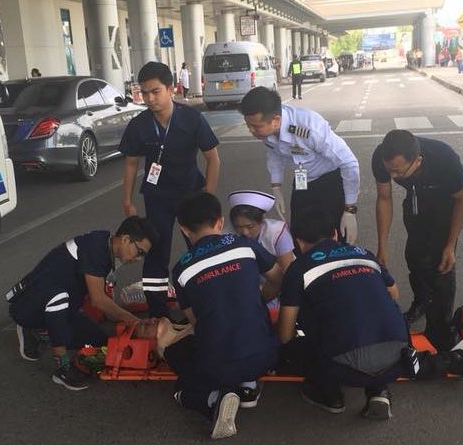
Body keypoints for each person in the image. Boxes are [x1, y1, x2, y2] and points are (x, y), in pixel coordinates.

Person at [277, 207, 463, 419]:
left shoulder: (298, 268)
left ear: (299, 243)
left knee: (295, 342)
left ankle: (329, 394)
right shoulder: (363, 254)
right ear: (335, 234)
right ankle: (382, 388)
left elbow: (284, 335)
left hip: (342, 369)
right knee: (378, 315)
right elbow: (394, 293)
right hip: (398, 357)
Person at [162, 192, 282, 439]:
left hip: (218, 363)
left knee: (175, 355)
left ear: (184, 230)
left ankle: (212, 399)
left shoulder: (182, 268)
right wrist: (260, 300)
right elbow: (278, 277)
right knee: (246, 333)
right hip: (266, 354)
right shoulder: (246, 246)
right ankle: (248, 385)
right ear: (219, 222)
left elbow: (196, 322)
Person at [119, 61, 221, 320]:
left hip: (192, 195)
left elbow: (213, 158)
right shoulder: (139, 125)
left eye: (155, 91)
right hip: (157, 198)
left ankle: (208, 300)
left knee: (201, 248)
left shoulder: (191, 118)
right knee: (156, 251)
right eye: (144, 93)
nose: (150, 98)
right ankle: (158, 312)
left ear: (171, 89)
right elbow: (131, 163)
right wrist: (127, 201)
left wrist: (208, 197)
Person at [8, 216, 158, 391]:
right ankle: (61, 367)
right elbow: (98, 299)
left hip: (61, 306)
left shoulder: (106, 245)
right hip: (30, 305)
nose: (139, 259)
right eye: (139, 252)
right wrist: (133, 320)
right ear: (125, 239)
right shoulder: (96, 249)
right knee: (59, 296)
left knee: (99, 341)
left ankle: (39, 332)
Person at [373, 130, 463, 352]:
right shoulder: (382, 157)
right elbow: (384, 198)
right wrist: (382, 247)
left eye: (398, 171)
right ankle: (422, 302)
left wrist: (450, 246)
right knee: (415, 256)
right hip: (416, 202)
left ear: (417, 161)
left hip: (445, 204)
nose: (394, 176)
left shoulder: (444, 158)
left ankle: (441, 329)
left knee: (440, 267)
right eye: (390, 171)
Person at [238, 86, 360, 244]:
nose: (251, 130)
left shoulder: (308, 127)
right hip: (302, 180)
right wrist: (276, 186)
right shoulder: (267, 131)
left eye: (255, 126)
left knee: (334, 235)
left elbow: (349, 163)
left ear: (275, 120)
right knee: (299, 234)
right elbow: (274, 153)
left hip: (330, 180)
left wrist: (350, 210)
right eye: (248, 125)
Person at [228, 190, 295, 300]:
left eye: (250, 226)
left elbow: (287, 271)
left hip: (279, 288)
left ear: (262, 220)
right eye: (238, 227)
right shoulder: (227, 236)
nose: (244, 232)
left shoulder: (277, 231)